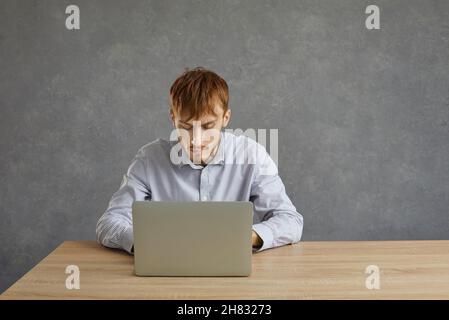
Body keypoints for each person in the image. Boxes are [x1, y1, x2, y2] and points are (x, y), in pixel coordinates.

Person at [96, 67, 303, 253]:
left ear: (226, 119)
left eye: (207, 126)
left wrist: (244, 237)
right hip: (167, 279)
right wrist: (151, 243)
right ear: (172, 118)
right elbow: (109, 222)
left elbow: (290, 221)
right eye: (185, 127)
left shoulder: (252, 156)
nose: (196, 139)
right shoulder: (150, 159)